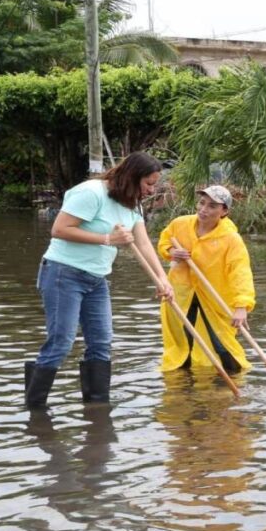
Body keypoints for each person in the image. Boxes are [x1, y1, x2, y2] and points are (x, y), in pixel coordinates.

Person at [26, 151, 172, 410]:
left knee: (101, 343)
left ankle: (97, 411)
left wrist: (162, 278)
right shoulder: (92, 192)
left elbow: (143, 242)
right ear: (132, 177)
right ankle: (35, 409)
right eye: (148, 183)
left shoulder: (131, 203)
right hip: (63, 273)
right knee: (61, 342)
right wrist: (107, 240)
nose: (152, 190)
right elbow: (59, 230)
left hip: (96, 279)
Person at [158, 185, 255, 374]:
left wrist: (241, 305)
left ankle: (232, 387)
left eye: (212, 206)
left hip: (214, 296)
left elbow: (240, 272)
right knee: (182, 340)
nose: (203, 209)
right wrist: (171, 252)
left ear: (224, 211)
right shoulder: (181, 224)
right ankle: (183, 391)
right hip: (182, 293)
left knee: (221, 342)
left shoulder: (230, 239)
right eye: (202, 203)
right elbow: (165, 241)